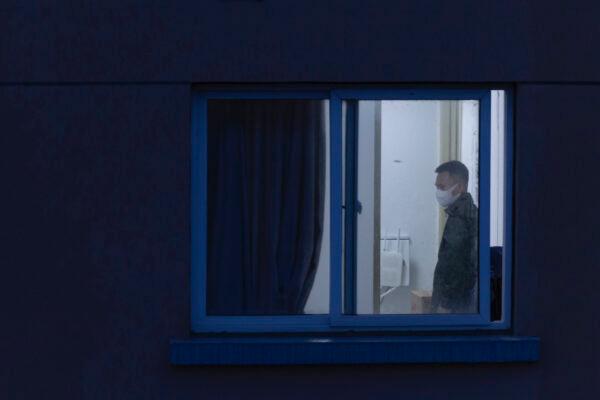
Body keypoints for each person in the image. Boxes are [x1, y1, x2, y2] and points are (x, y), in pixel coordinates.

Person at [431, 160, 478, 313]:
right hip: (463, 302)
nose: (438, 192)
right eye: (437, 187)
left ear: (459, 188)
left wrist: (445, 304)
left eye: (442, 187)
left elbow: (453, 264)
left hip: (454, 305)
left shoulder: (460, 218)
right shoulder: (469, 211)